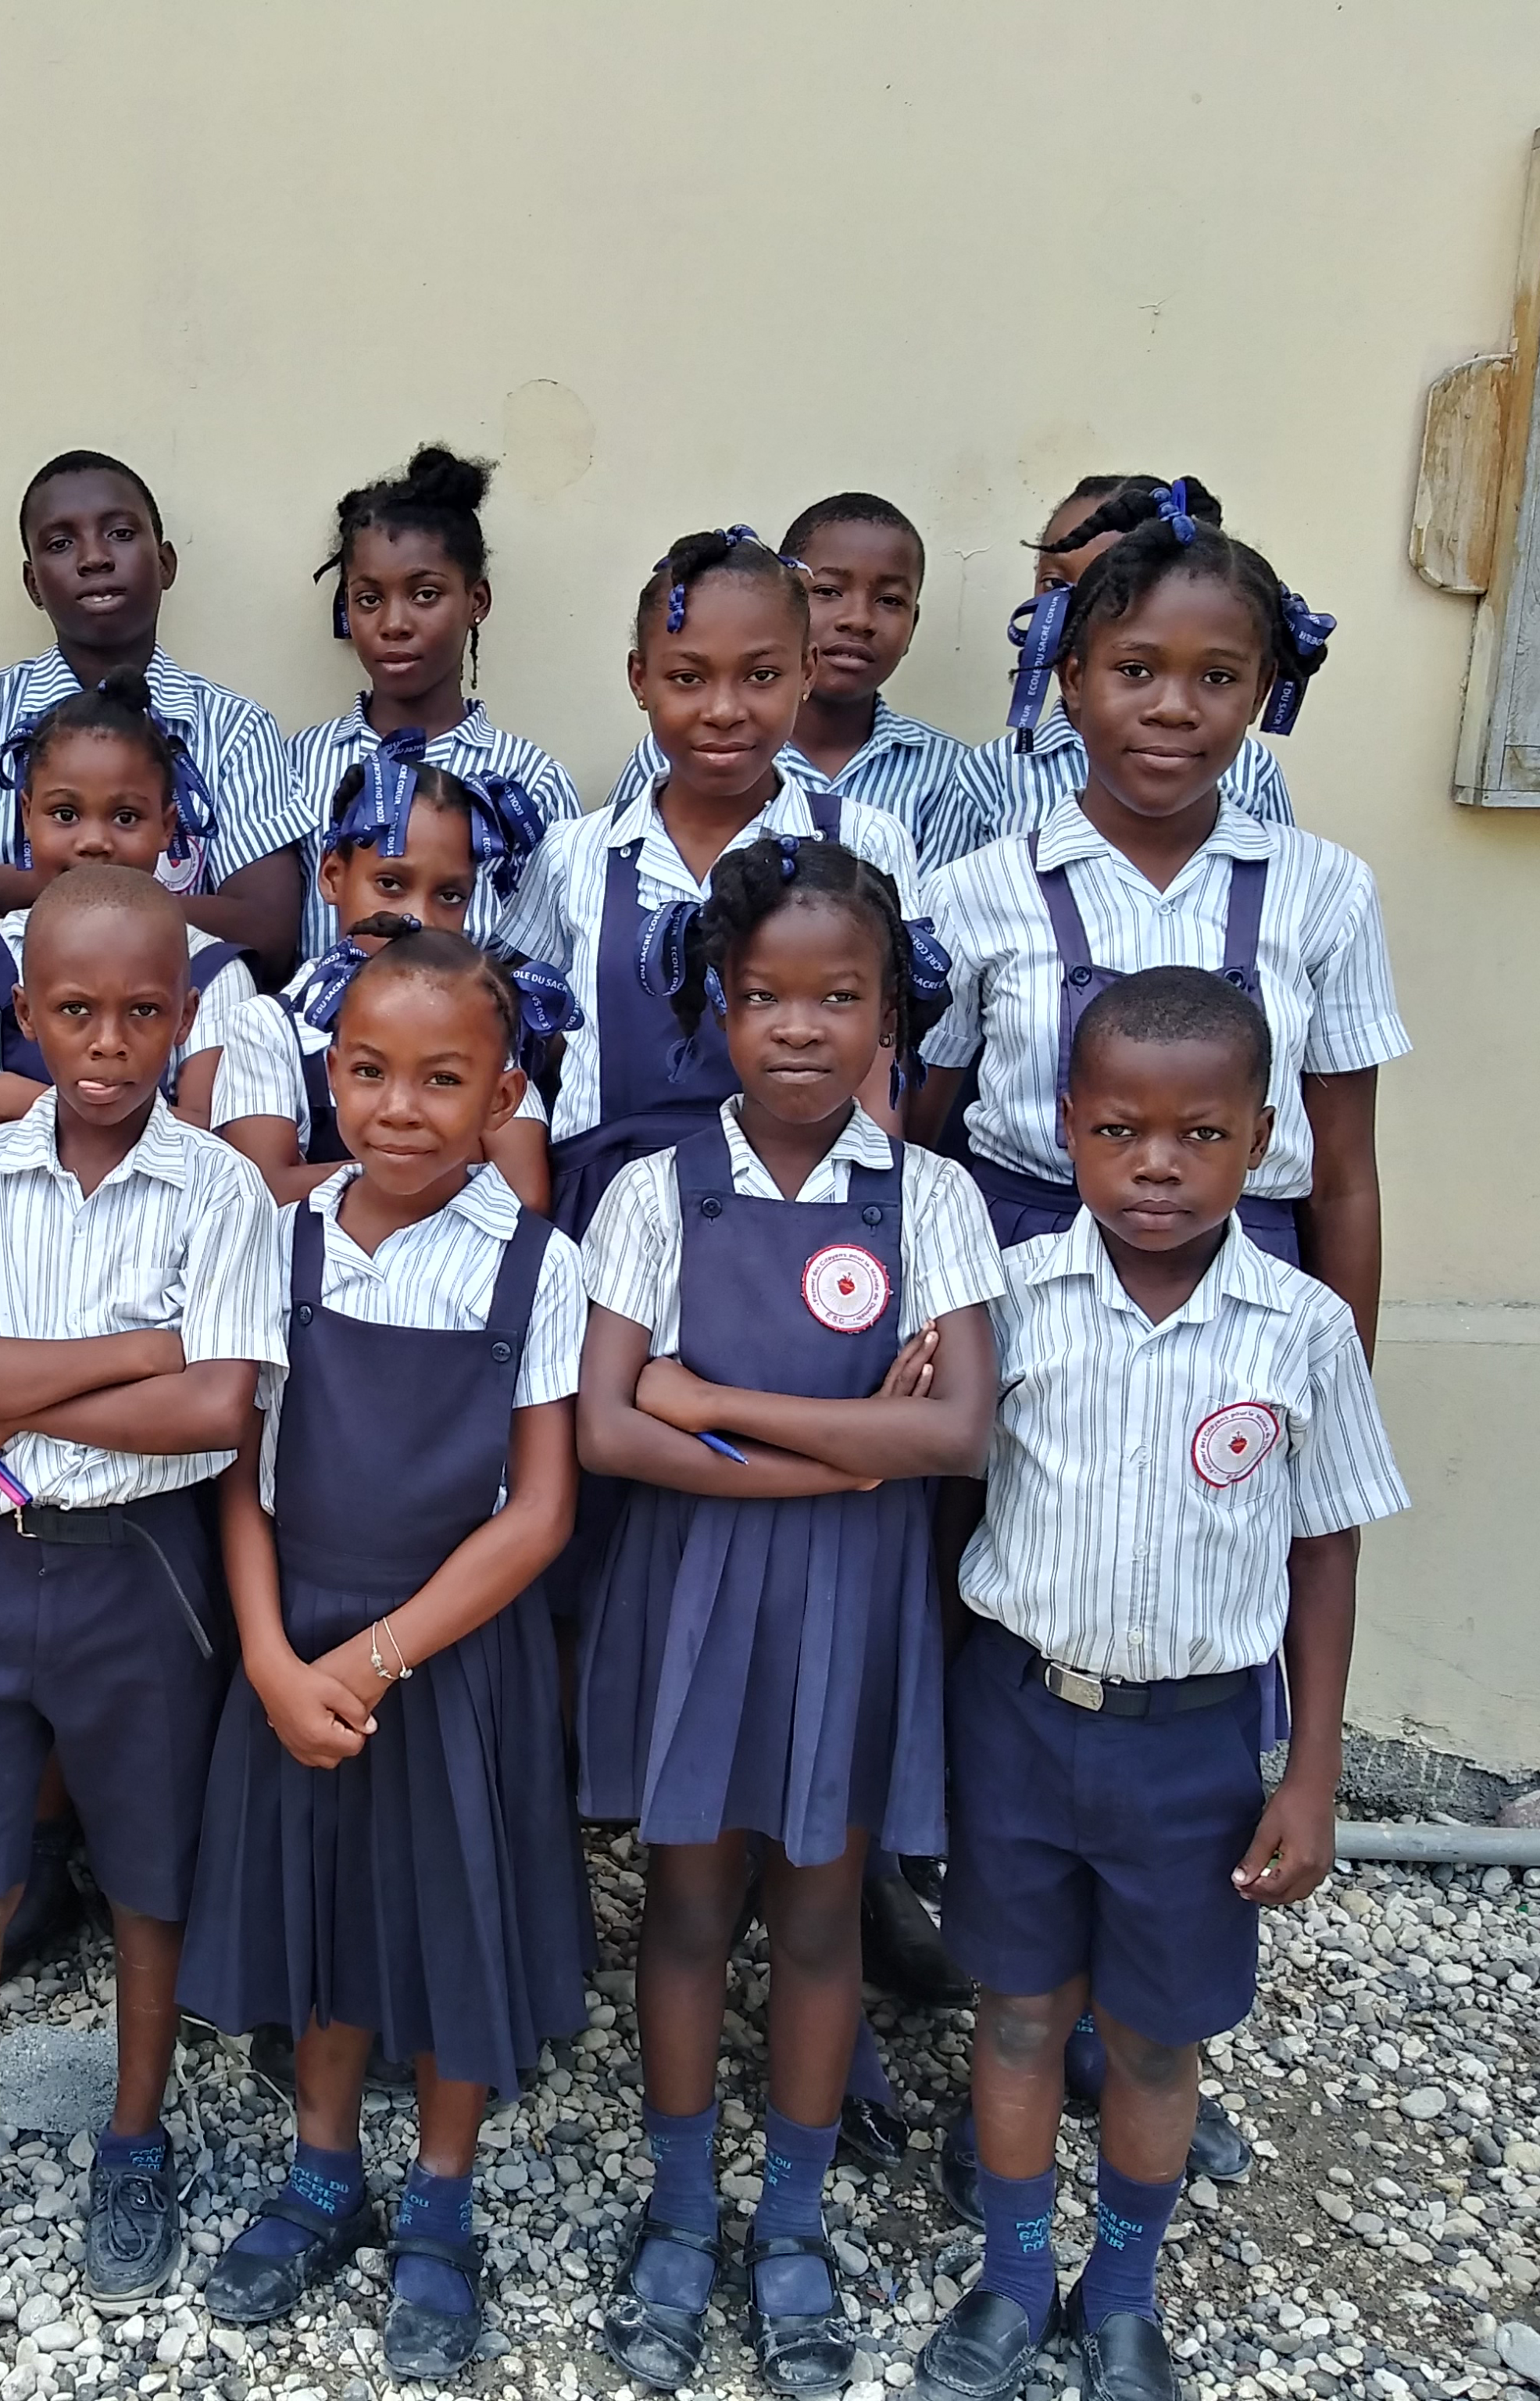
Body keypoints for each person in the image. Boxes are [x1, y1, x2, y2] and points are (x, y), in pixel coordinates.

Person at [911, 969, 1406, 2401]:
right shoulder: (1007, 1301)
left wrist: (1307, 1775)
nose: (1157, 1165)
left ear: (1263, 1139)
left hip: (1191, 1745)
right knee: (1013, 2009)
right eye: (1121, 1129)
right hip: (1017, 1712)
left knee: (1153, 2031)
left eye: (1199, 1135)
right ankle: (1010, 2280)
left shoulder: (1300, 1329)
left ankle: (1120, 2291)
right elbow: (943, 1495)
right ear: (1066, 1128)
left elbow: (1325, 1553)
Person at [574, 838, 1003, 2393]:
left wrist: (722, 1408)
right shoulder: (653, 1191)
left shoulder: (931, 1199)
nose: (803, 1027)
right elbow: (611, 1432)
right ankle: (683, 2214)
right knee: (686, 1910)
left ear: (891, 1013)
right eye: (765, 996)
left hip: (851, 1608)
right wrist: (839, 1454)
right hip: (695, 1597)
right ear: (715, 1006)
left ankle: (796, 2226)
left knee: (821, 1915)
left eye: (840, 996)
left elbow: (954, 1434)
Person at [0, 866, 287, 2336]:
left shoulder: (224, 1186)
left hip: (144, 1576)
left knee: (150, 1878)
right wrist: (140, 1349)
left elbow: (221, 1409)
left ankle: (133, 2141)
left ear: (184, 1017)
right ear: (27, 1012)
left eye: (142, 1013)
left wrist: (34, 1385)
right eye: (74, 1011)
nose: (108, 1043)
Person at [181, 929, 590, 2381]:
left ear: (502, 1096)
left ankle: (441, 2196)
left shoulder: (540, 1264)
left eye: (441, 1078)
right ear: (326, 1073)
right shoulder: (275, 1236)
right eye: (367, 1070)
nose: (399, 1106)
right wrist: (280, 1665)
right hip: (290, 1637)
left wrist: (378, 1659)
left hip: (452, 1654)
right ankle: (321, 2171)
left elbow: (538, 1514)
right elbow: (235, 1471)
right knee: (327, 1910)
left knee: (451, 1913)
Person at [909, 478, 1402, 1336]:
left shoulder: (1327, 893)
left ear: (1259, 694)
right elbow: (915, 1148)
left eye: (1217, 677)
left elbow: (1344, 1178)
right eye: (1134, 670)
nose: (1172, 708)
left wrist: (1343, 1385)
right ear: (1071, 678)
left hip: (1255, 1289)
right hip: (1016, 1278)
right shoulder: (973, 893)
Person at [503, 528, 922, 1241]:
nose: (724, 709)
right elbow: (512, 1039)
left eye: (761, 676)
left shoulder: (861, 844)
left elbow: (885, 1050)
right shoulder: (578, 852)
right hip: (602, 1209)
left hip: (801, 1205)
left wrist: (868, 1207)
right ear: (641, 679)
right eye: (688, 678)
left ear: (807, 670)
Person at [0, 450, 309, 969]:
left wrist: (28, 891)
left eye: (119, 534)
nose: (94, 558)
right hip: (5, 1032)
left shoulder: (236, 729)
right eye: (60, 543)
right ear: (33, 584)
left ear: (165, 563)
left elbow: (266, 929)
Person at [0, 670, 258, 1160]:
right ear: (26, 815)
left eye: (127, 817)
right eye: (65, 814)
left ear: (167, 824)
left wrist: (5, 1099)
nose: (94, 841)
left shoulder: (211, 971)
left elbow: (215, 1146)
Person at [215, 740, 564, 1212]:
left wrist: (354, 1171)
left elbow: (524, 1193)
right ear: (333, 875)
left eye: (450, 895)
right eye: (391, 884)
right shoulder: (271, 1027)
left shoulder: (485, 1013)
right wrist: (457, 1157)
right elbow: (259, 1192)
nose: (417, 916)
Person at [924, 476, 1295, 875]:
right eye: (1053, 583)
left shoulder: (1250, 769)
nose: (1076, 604)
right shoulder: (990, 774)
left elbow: (1279, 892)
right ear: (1074, 676)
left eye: (1113, 580)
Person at [290, 444, 578, 952]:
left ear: (476, 601)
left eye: (425, 594)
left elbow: (553, 964)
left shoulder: (533, 780)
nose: (394, 624)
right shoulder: (298, 765)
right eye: (369, 599)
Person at [606, 494, 965, 867]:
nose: (858, 619)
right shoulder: (678, 751)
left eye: (890, 600)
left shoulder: (948, 773)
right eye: (827, 591)